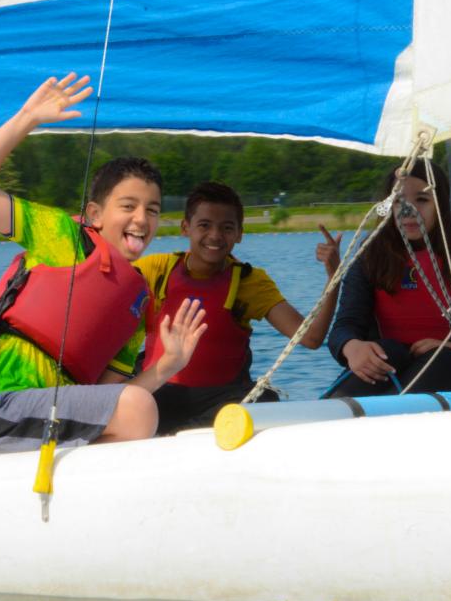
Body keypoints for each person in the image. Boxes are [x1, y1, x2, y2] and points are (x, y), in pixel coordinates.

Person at [0, 73, 207, 455]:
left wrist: (167, 366)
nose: (141, 219)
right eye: (128, 206)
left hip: (45, 423)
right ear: (95, 214)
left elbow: (109, 400)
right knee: (139, 409)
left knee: (138, 409)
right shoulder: (61, 237)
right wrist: (27, 119)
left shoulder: (135, 304)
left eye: (152, 210)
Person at [135, 181, 342, 434]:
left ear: (239, 234)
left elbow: (311, 338)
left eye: (227, 228)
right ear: (185, 228)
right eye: (204, 225)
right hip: (157, 393)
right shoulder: (156, 270)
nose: (215, 235)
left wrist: (334, 276)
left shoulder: (249, 282)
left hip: (220, 401)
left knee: (264, 401)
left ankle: (181, 433)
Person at [325, 160, 451, 397]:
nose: (409, 210)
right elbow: (343, 328)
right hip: (389, 366)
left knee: (443, 358)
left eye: (422, 200)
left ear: (441, 204)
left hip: (450, 370)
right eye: (399, 201)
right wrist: (351, 346)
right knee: (388, 351)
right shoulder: (370, 255)